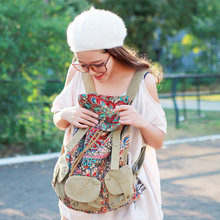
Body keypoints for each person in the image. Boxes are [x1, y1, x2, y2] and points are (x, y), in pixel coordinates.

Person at [51, 7, 167, 220]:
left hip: (129, 193)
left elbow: (158, 141)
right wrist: (66, 114)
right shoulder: (78, 73)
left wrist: (140, 121)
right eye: (83, 65)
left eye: (97, 65)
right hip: (81, 192)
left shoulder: (142, 81)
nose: (90, 72)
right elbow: (58, 119)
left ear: (114, 51)